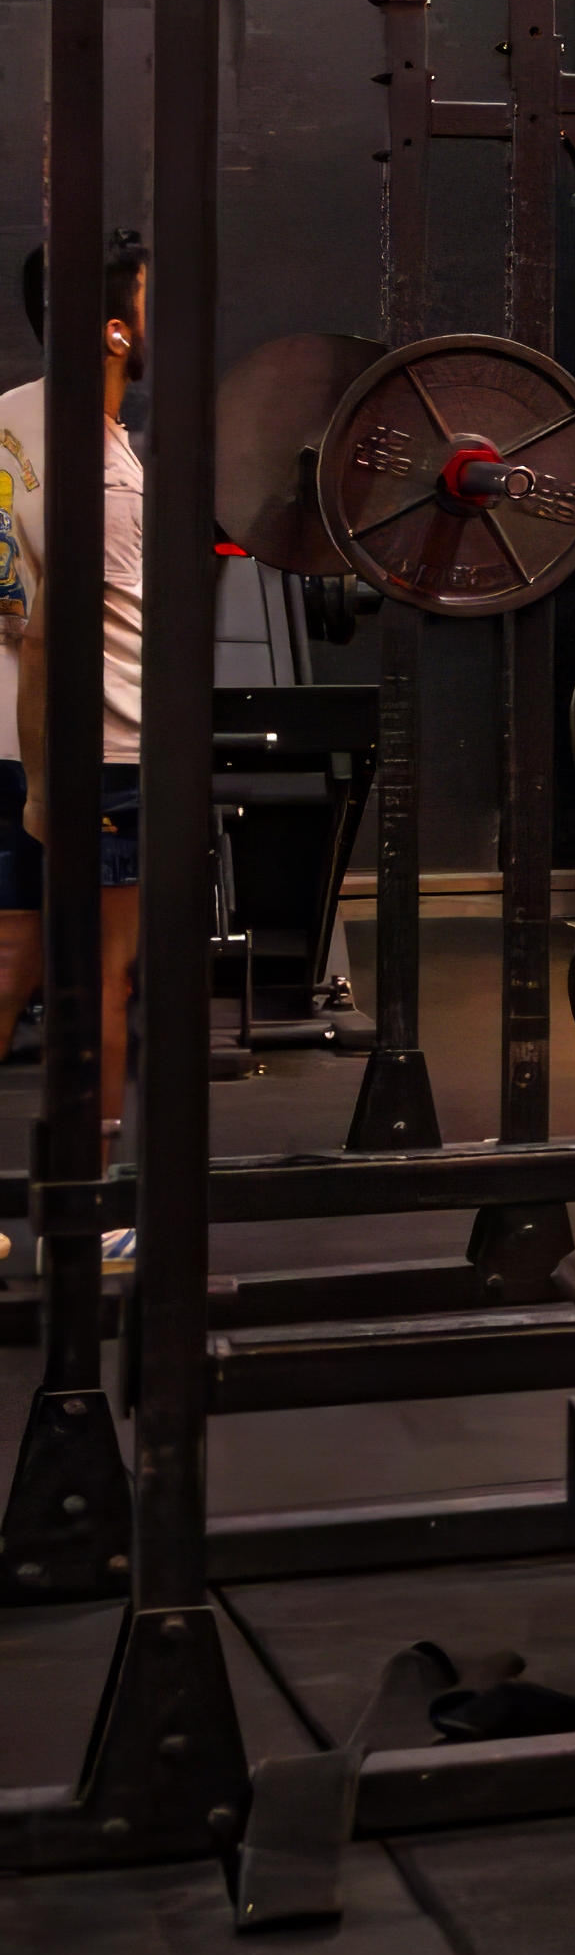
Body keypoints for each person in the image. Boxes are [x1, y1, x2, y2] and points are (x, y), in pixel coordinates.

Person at [0, 232, 149, 1219]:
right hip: (93, 752)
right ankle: (84, 1210)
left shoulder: (8, 421)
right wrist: (58, 787)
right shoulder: (103, 469)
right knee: (103, 980)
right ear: (113, 328)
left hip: (4, 745)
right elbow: (53, 639)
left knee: (11, 961)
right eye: (150, 300)